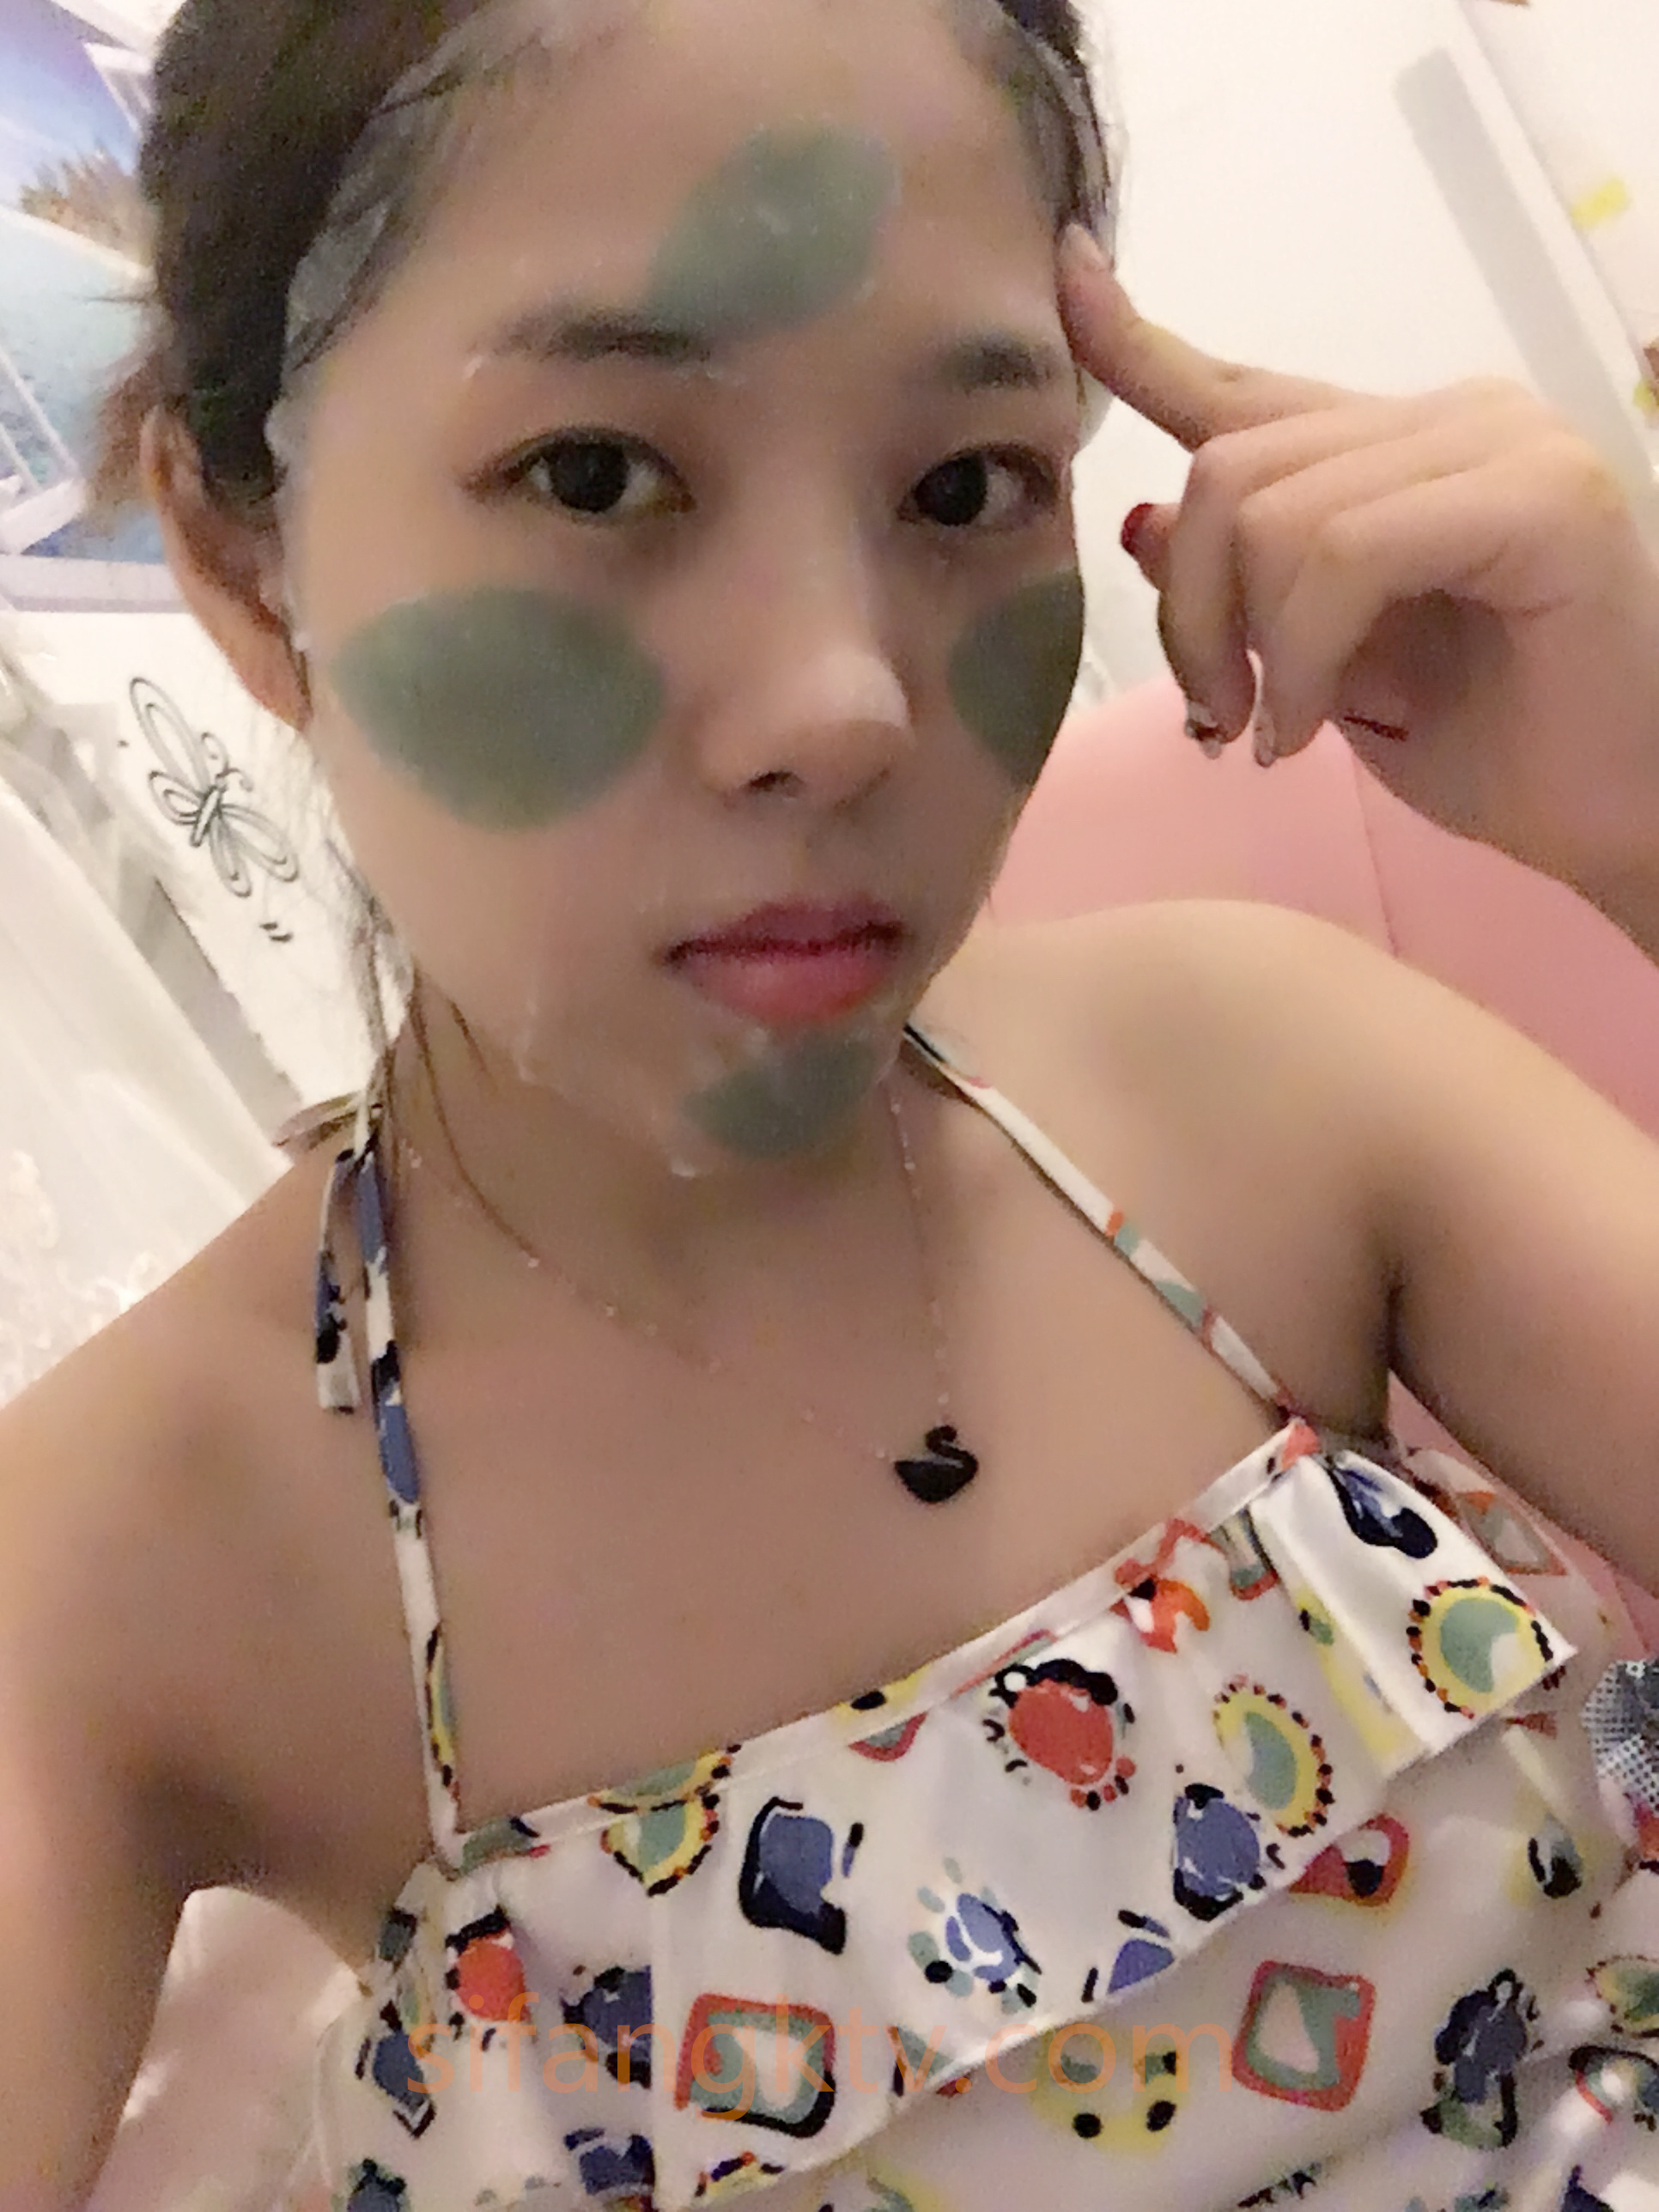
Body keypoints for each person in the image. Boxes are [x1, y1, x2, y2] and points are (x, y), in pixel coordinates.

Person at [4, 0, 1659, 2205]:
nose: (846, 697)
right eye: (596, 474)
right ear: (244, 557)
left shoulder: (1270, 1080)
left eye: (966, 485)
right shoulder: (124, 1566)